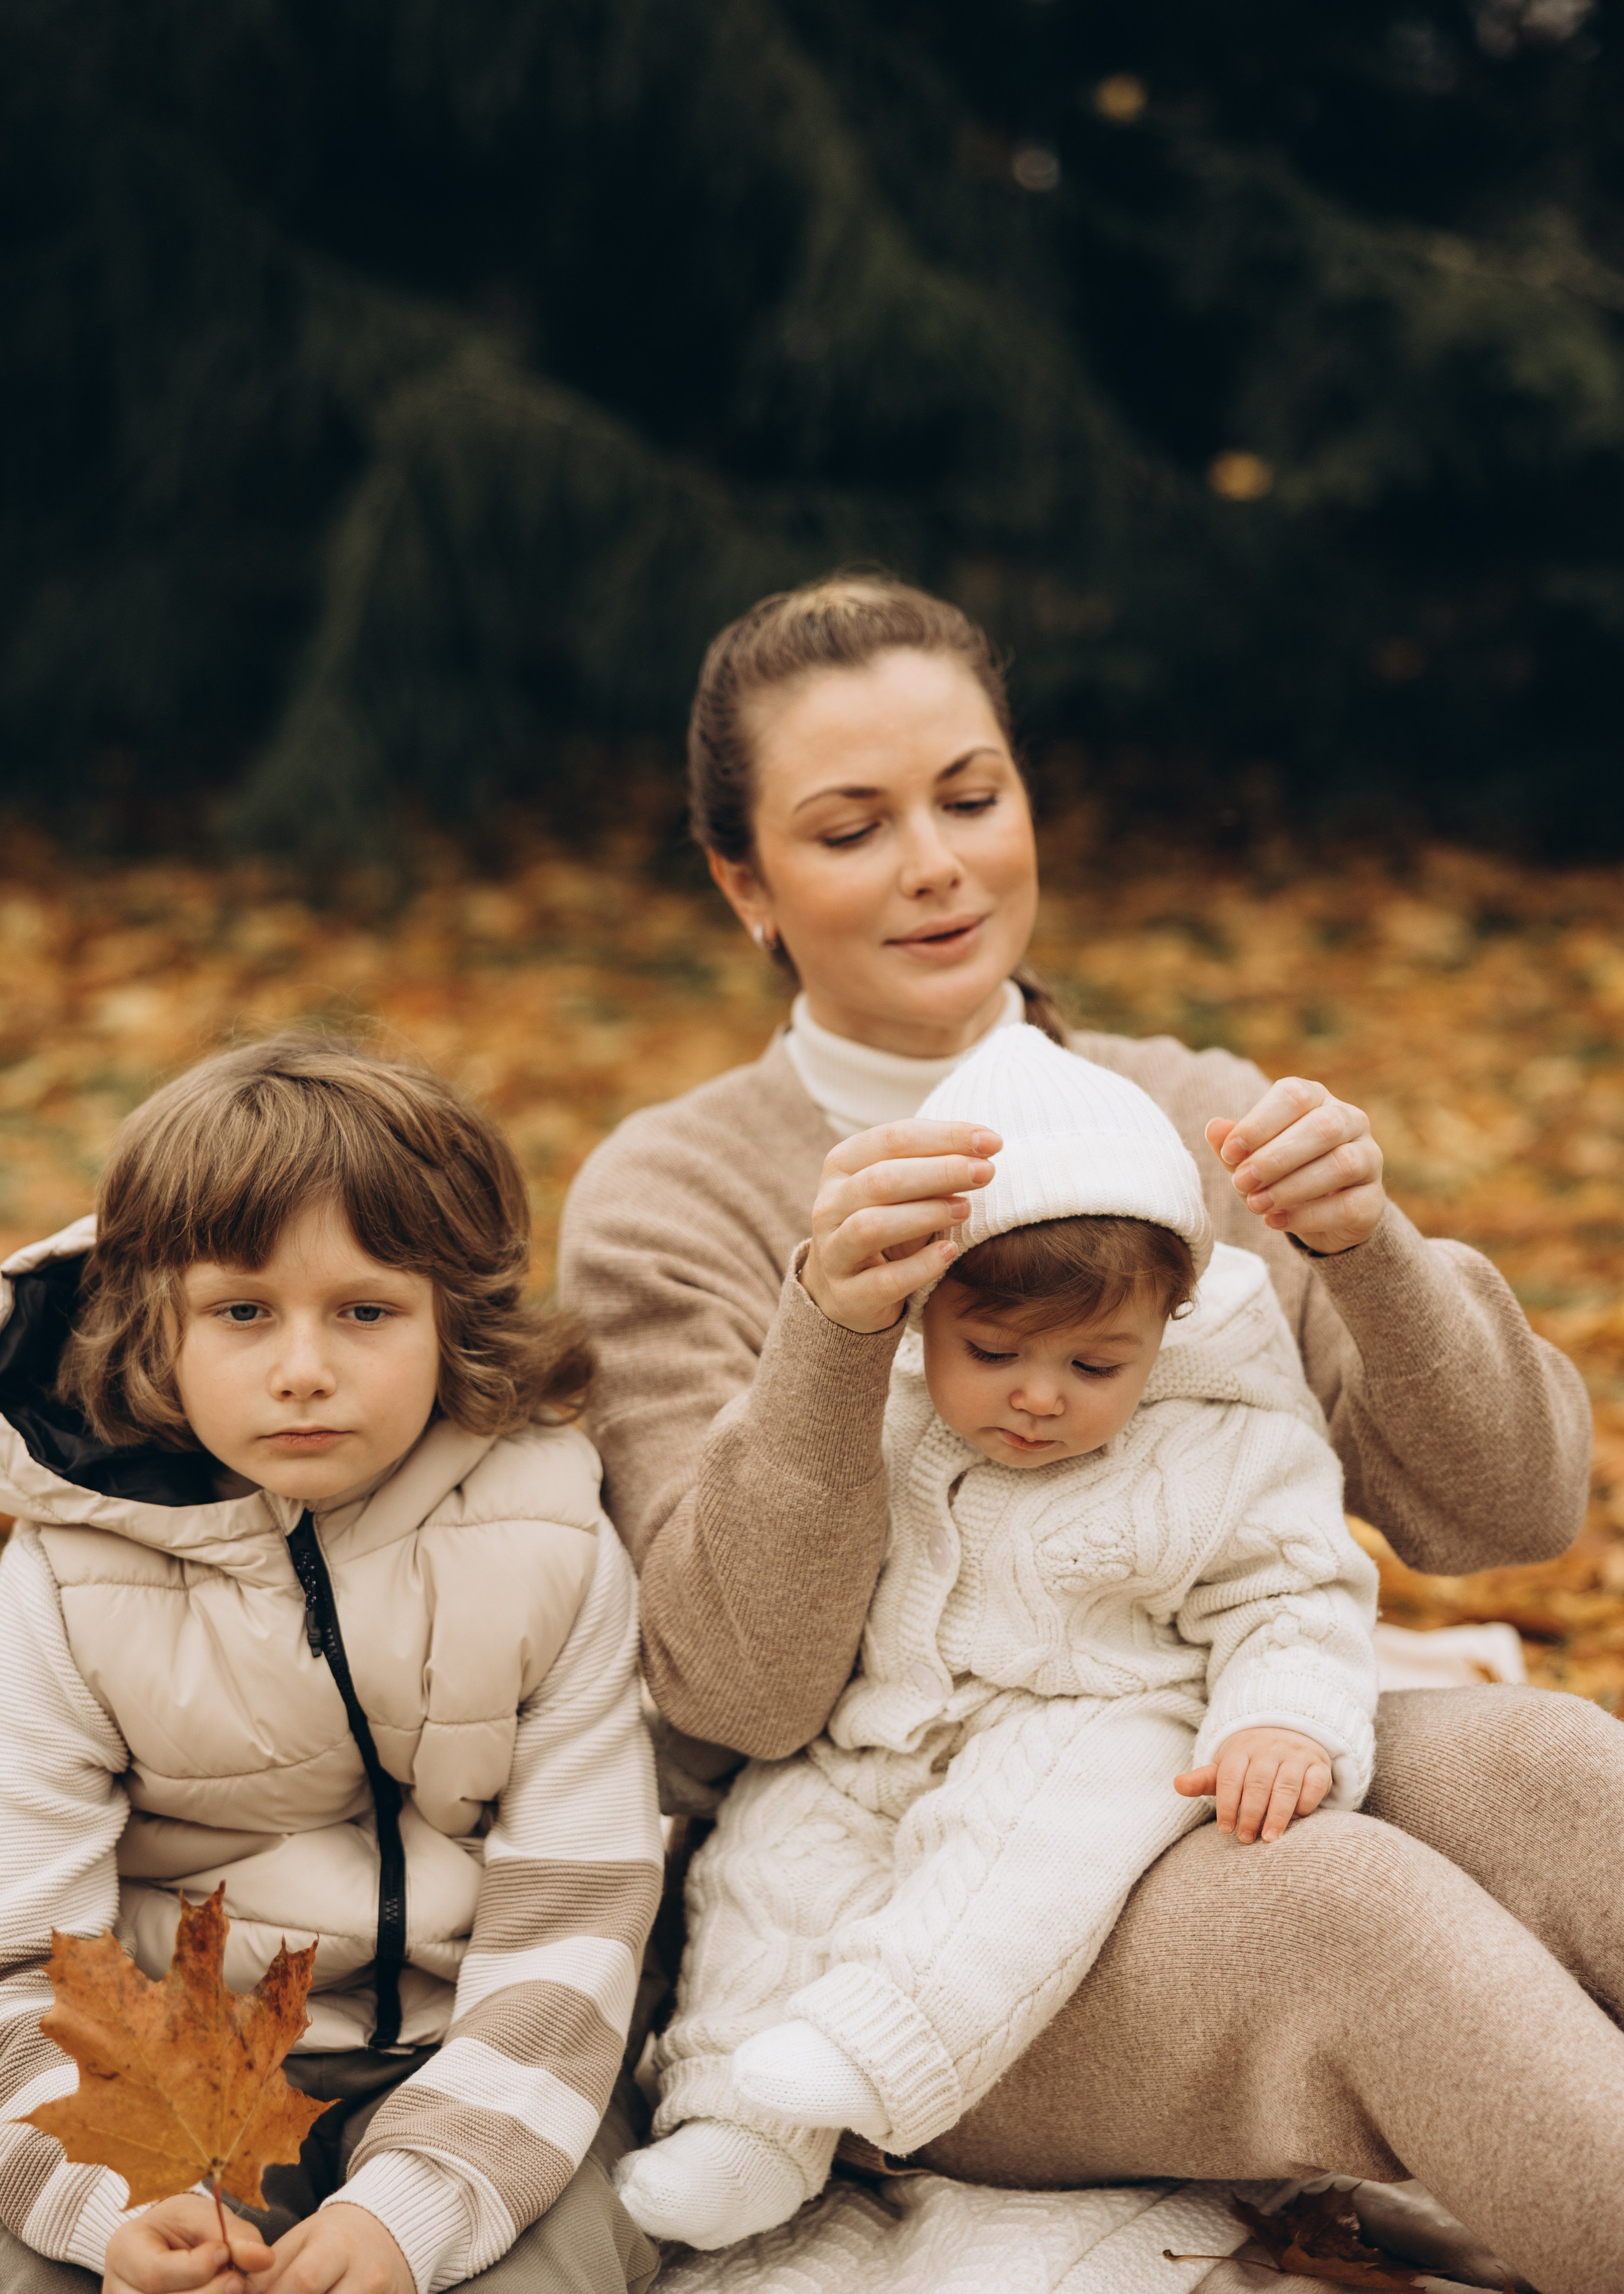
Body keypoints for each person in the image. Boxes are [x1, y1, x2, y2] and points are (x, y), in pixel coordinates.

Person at [560, 574, 1624, 2293]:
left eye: (971, 797)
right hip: (901, 1895)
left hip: (1200, 1738)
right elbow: (734, 1691)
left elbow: (1508, 1510)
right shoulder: (676, 1195)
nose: (936, 864)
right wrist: (830, 1335)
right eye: (851, 827)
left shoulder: (1188, 1114)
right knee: (1348, 1914)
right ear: (743, 885)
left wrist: (1377, 1258)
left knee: (1555, 1768)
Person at [615, 1027, 1382, 2250]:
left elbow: (1292, 1593)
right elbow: (754, 1563)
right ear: (924, 1310)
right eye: (992, 1352)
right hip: (880, 1736)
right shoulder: (872, 1406)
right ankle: (740, 2122)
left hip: (1097, 1719)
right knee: (773, 1860)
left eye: (1097, 1363)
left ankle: (879, 2048)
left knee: (1021, 1851)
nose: (1038, 1394)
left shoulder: (1224, 1439)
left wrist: (1284, 1719)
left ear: (1170, 1326)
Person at [0, 1039, 662, 2294]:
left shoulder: (555, 1543)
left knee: (549, 2260)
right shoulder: (61, 1582)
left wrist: (417, 2208)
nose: (303, 1369)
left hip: (493, 2057)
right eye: (242, 1312)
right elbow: (23, 1956)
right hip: (164, 2071)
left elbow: (572, 1925)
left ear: (454, 1321)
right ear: (156, 1329)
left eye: (365, 1312)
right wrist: (118, 2194)